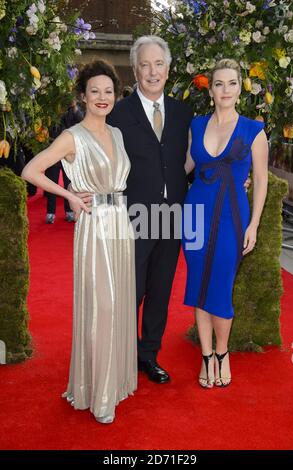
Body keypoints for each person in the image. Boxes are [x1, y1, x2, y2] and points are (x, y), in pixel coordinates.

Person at [70, 36, 194, 384]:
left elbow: (193, 159)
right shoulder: (118, 114)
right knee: (129, 291)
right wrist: (73, 189)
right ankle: (122, 355)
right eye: (144, 64)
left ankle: (148, 355)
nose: (152, 72)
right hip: (130, 219)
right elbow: (87, 147)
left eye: (159, 64)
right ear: (135, 70)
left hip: (172, 218)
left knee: (160, 290)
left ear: (168, 70)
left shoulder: (184, 113)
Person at [22, 60, 137, 423]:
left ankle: (115, 383)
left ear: (115, 95)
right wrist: (68, 195)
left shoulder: (117, 134)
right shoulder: (72, 137)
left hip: (120, 224)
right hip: (96, 228)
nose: (102, 98)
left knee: (119, 306)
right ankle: (98, 395)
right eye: (95, 92)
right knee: (102, 307)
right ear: (83, 96)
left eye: (108, 91)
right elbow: (31, 170)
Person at [182, 59, 268, 388]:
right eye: (219, 84)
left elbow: (260, 180)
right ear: (211, 90)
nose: (226, 90)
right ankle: (206, 357)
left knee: (220, 284)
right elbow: (184, 165)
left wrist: (254, 224)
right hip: (195, 214)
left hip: (233, 216)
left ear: (240, 88)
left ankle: (222, 353)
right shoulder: (197, 125)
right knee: (198, 283)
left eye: (232, 83)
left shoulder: (253, 130)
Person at [45, 101, 85, 224]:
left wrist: (74, 108)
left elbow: (81, 121)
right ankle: (50, 212)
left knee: (69, 183)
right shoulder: (49, 109)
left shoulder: (73, 109)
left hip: (69, 152)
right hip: (53, 151)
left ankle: (69, 211)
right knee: (52, 183)